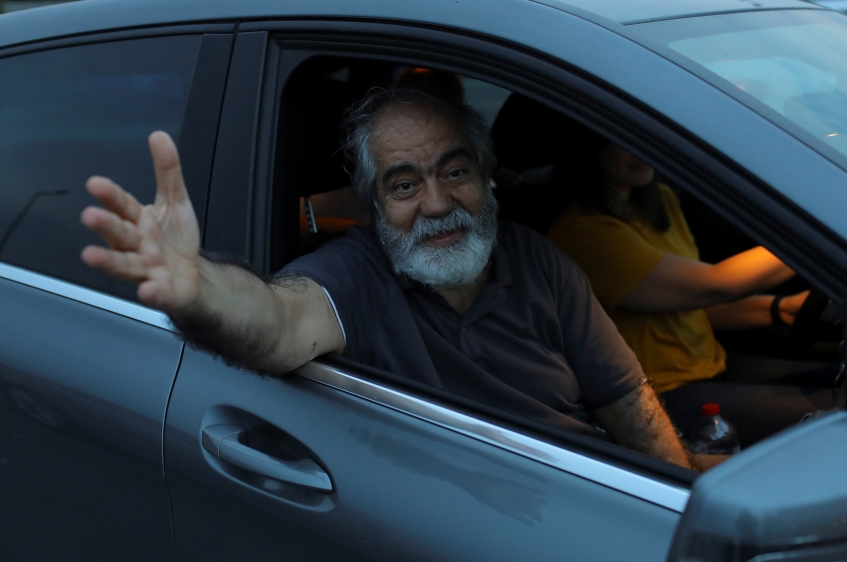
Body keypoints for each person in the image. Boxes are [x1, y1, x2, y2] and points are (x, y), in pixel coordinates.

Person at [79, 86, 696, 469]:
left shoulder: (537, 259)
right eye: (404, 185)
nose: (436, 203)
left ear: (488, 179)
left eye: (455, 172)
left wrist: (684, 502)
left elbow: (627, 401)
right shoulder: (356, 275)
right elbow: (278, 319)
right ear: (374, 206)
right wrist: (198, 289)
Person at [547, 142, 838, 446]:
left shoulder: (659, 200)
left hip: (711, 366)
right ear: (591, 149)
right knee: (844, 413)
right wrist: (822, 226)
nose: (640, 149)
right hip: (661, 396)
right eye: (621, 141)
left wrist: (783, 308)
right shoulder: (584, 233)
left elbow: (701, 306)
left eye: (644, 137)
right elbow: (714, 286)